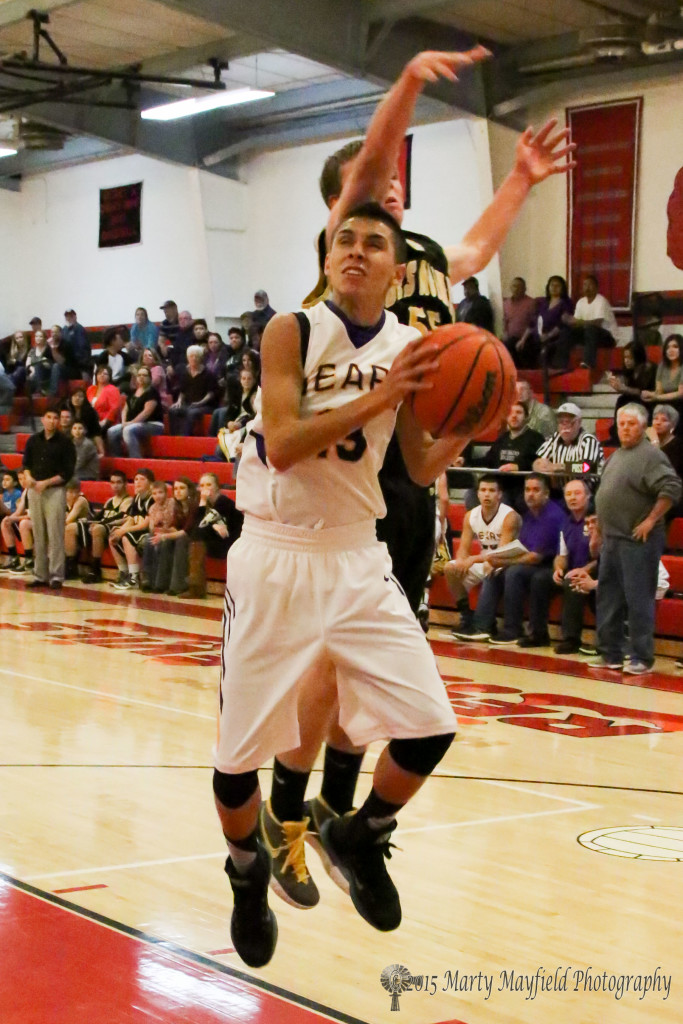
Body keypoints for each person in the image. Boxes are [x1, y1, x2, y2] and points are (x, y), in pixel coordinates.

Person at [271, 49, 576, 912]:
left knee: (372, 676)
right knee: (331, 665)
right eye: (373, 188)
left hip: (410, 485)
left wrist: (519, 180)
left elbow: (475, 246)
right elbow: (369, 169)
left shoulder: (428, 259)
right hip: (345, 482)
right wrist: (404, 87)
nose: (392, 189)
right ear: (340, 214)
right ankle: (287, 816)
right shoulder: (350, 258)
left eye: (397, 190)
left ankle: (341, 813)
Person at [214, 203, 470, 968]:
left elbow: (419, 468)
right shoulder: (289, 330)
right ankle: (247, 872)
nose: (356, 251)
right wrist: (382, 395)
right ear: (328, 257)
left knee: (430, 728)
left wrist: (474, 418)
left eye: (374, 243)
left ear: (398, 268)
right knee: (234, 766)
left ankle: (359, 834)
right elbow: (286, 445)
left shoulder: (413, 347)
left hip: (359, 557)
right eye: (344, 241)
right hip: (274, 554)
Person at [591, 403, 681, 674]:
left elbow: (672, 487)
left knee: (638, 599)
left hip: (637, 540)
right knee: (608, 598)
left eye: (631, 424)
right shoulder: (616, 455)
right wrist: (597, 531)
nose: (625, 428)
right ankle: (611, 654)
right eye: (621, 424)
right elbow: (604, 496)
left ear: (643, 428)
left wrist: (651, 520)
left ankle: (641, 657)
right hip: (612, 539)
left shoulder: (651, 456)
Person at [486, 473, 564, 646]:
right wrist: (499, 561)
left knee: (515, 572)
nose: (530, 494)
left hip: (552, 563)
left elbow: (535, 557)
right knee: (496, 572)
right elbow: (522, 546)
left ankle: (512, 629)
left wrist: (504, 561)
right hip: (535, 561)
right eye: (527, 489)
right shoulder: (529, 515)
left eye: (536, 490)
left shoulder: (552, 516)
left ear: (546, 493)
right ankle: (483, 624)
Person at [446, 475, 520, 639]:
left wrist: (472, 560)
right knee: (450, 568)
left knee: (490, 568)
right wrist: (461, 561)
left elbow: (500, 554)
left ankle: (483, 624)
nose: (487, 494)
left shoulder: (509, 516)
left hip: (506, 562)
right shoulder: (471, 515)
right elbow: (463, 549)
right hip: (484, 559)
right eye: (483, 490)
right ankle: (466, 617)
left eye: (492, 491)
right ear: (477, 494)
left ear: (500, 494)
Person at [21, 404, 76, 589]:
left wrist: (46, 482)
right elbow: (26, 464)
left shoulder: (65, 443)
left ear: (59, 421)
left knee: (55, 533)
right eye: (49, 417)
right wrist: (28, 478)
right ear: (42, 419)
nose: (52, 421)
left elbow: (67, 472)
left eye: (55, 418)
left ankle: (56, 575)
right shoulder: (33, 440)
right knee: (38, 532)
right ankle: (40, 574)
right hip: (34, 489)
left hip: (54, 490)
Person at [552, 479, 598, 654]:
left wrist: (585, 570)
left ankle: (571, 639)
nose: (572, 498)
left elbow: (604, 557)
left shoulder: (596, 520)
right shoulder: (565, 523)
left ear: (588, 496)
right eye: (568, 494)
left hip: (596, 570)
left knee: (572, 584)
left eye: (577, 493)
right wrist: (558, 568)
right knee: (539, 580)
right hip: (573, 570)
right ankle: (536, 633)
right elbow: (561, 555)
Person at [187, 472, 244, 597]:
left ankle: (195, 588)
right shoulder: (206, 505)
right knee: (192, 541)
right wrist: (212, 526)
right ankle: (192, 586)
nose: (205, 488)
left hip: (233, 543)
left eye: (209, 484)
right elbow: (196, 527)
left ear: (217, 487)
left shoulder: (223, 502)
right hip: (217, 540)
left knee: (197, 540)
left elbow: (201, 526)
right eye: (202, 485)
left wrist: (202, 501)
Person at [533, 402, 604, 490]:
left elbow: (586, 467)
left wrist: (560, 467)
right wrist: (540, 465)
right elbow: (537, 461)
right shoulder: (556, 438)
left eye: (570, 422)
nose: (565, 427)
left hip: (586, 492)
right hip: (559, 491)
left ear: (579, 422)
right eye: (561, 422)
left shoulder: (588, 439)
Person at [81, 471, 132, 584]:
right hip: (104, 527)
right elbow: (99, 516)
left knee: (98, 528)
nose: (115, 485)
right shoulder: (110, 501)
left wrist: (100, 524)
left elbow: (122, 517)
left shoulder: (128, 500)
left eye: (118, 482)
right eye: (112, 482)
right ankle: (71, 563)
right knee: (76, 527)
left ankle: (95, 569)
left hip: (116, 528)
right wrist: (89, 522)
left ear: (125, 484)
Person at [108, 468, 155, 590]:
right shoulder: (137, 498)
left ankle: (134, 576)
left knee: (127, 537)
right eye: (136, 479)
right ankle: (123, 572)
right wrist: (120, 529)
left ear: (150, 483)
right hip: (138, 529)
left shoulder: (152, 499)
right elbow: (130, 518)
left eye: (142, 479)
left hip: (150, 531)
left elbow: (146, 524)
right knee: (113, 536)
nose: (138, 482)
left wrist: (124, 531)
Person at [559, 274, 617, 369]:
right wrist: (568, 320)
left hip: (608, 337)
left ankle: (588, 363)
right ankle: (561, 365)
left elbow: (597, 323)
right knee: (566, 332)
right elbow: (575, 324)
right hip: (589, 335)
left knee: (591, 329)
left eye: (590, 285)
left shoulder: (601, 301)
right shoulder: (580, 302)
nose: (587, 287)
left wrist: (578, 321)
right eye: (585, 285)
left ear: (597, 288)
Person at [107, 367, 165, 459]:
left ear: (149, 378)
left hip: (153, 425)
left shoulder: (152, 392)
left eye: (144, 375)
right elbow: (125, 409)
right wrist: (124, 423)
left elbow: (146, 412)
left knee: (128, 430)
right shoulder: (133, 392)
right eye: (139, 375)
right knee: (111, 431)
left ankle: (135, 459)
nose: (141, 377)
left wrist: (130, 423)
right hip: (133, 424)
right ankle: (118, 458)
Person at [605, 341, 656, 437]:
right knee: (622, 399)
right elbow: (627, 389)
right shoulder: (629, 371)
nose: (626, 361)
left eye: (630, 358)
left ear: (638, 357)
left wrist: (624, 388)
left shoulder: (649, 368)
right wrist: (616, 385)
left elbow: (643, 392)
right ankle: (618, 430)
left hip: (648, 401)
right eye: (625, 357)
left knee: (625, 399)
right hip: (634, 399)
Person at [168, 345, 218, 435]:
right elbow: (182, 391)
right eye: (191, 356)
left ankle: (185, 437)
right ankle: (174, 437)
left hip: (205, 405)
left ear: (201, 358)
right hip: (189, 403)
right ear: (188, 358)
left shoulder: (208, 374)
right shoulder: (185, 373)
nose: (194, 358)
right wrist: (179, 401)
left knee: (191, 412)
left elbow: (211, 393)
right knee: (173, 410)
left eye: (196, 356)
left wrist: (200, 402)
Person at [642, 334, 683, 434]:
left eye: (675, 347)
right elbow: (659, 391)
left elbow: (680, 394)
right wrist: (651, 394)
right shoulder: (662, 365)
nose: (671, 350)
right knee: (647, 405)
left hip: (680, 403)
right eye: (668, 347)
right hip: (664, 401)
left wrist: (657, 397)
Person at [537, 274, 575, 370]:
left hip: (556, 334)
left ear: (563, 288)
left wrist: (549, 335)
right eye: (552, 285)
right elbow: (537, 320)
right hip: (541, 334)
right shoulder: (544, 303)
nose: (554, 288)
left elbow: (563, 323)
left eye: (557, 286)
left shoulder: (567, 303)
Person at [0, 469, 32, 573]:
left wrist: (14, 518)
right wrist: (9, 518)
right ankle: (13, 558)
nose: (22, 481)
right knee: (5, 522)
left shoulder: (32, 491)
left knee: (23, 523)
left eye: (24, 478)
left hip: (37, 521)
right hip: (29, 519)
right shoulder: (25, 492)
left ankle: (29, 560)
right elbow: (18, 512)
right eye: (20, 479)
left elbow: (31, 516)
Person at [502, 276, 537, 367]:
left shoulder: (531, 302)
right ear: (510, 288)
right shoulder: (506, 303)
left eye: (519, 286)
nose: (516, 288)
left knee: (523, 349)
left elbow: (533, 324)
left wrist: (523, 340)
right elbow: (505, 321)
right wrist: (505, 333)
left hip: (526, 337)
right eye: (514, 286)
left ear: (524, 289)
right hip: (511, 337)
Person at [63, 479, 91, 579]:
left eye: (76, 492)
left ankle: (71, 566)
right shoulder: (63, 501)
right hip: (75, 529)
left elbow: (69, 520)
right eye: (70, 492)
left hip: (87, 529)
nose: (73, 495)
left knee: (68, 528)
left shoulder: (81, 500)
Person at [67, 387, 104, 454]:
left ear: (84, 399)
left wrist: (102, 451)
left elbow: (96, 432)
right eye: (74, 396)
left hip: (86, 440)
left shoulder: (90, 412)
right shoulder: (67, 409)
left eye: (80, 396)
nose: (77, 398)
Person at [87, 365, 122, 435]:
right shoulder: (91, 389)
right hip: (90, 419)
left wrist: (105, 421)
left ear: (110, 377)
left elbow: (114, 409)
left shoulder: (113, 389)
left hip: (105, 421)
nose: (102, 375)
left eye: (105, 374)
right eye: (99, 373)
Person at [62, 310, 91, 380]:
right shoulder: (64, 330)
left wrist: (83, 366)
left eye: (71, 316)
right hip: (68, 364)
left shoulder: (79, 329)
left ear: (75, 317)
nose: (69, 318)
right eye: (67, 316)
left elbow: (83, 348)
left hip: (80, 365)